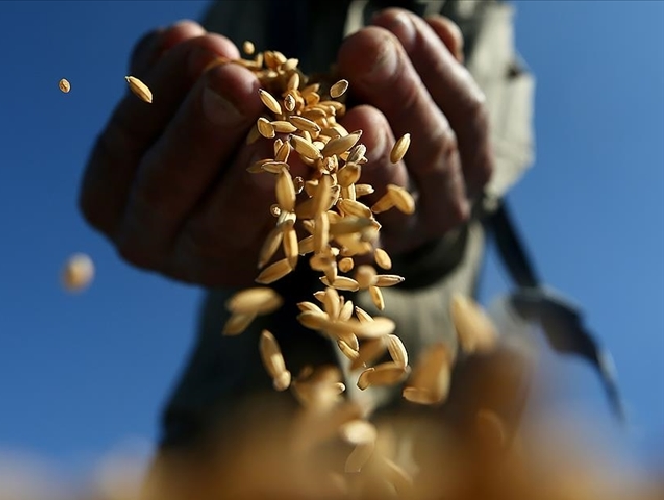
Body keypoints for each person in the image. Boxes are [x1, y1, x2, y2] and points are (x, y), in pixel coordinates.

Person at [79, 0, 536, 478]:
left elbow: (489, 155)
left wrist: (435, 238)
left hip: (423, 440)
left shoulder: (469, 8)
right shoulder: (234, 13)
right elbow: (203, 113)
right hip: (226, 440)